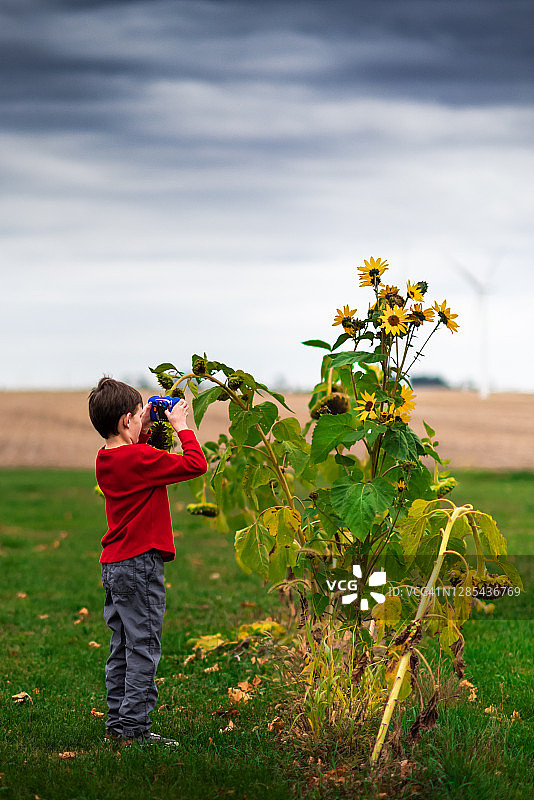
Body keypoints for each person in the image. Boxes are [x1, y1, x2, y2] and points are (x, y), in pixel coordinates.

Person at [88, 377, 208, 746]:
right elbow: (196, 463)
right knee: (145, 647)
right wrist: (181, 427)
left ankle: (117, 724)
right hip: (140, 565)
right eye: (139, 416)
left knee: (123, 646)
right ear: (126, 421)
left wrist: (149, 422)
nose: (143, 421)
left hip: (115, 565)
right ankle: (135, 730)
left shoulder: (107, 458)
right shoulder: (140, 458)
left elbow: (136, 454)